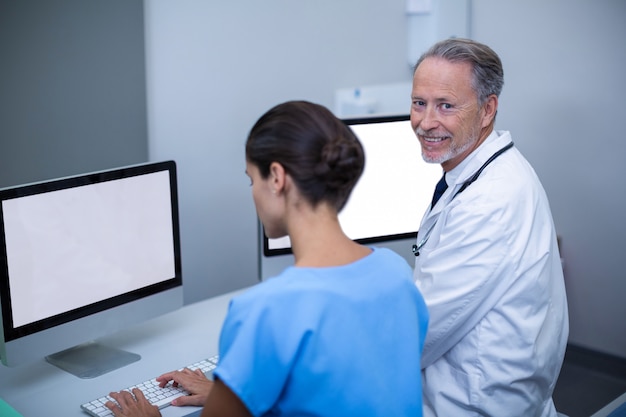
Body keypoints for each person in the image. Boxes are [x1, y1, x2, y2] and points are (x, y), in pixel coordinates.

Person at [105, 100, 429, 417]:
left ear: (276, 177)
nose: (253, 192)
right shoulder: (396, 271)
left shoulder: (266, 310)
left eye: (251, 179)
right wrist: (232, 393)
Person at [410, 37, 569, 416]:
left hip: (473, 405)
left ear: (487, 109)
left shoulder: (491, 201)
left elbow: (417, 336)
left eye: (445, 106)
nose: (425, 122)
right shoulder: (478, 173)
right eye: (419, 103)